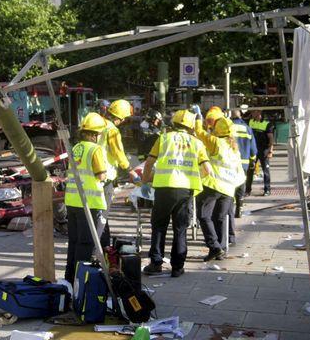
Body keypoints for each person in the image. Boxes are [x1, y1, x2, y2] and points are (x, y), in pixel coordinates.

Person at [140, 109, 211, 277]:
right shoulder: (197, 143)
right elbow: (207, 169)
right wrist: (194, 176)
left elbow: (150, 161)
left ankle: (156, 263)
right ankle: (178, 267)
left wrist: (145, 181)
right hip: (185, 190)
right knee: (180, 228)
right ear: (190, 126)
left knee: (159, 226)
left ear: (174, 123)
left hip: (164, 188)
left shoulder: (163, 138)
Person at [193, 111, 245, 261]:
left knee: (203, 216)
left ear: (218, 130)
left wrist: (198, 119)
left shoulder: (216, 142)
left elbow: (199, 132)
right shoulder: (234, 148)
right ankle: (220, 249)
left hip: (213, 185)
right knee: (220, 218)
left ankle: (214, 247)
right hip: (229, 188)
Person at [64, 112, 108, 284]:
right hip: (89, 203)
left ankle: (69, 278)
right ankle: (80, 281)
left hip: (73, 201)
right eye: (97, 134)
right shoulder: (95, 149)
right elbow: (101, 175)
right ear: (93, 134)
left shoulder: (76, 148)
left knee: (74, 242)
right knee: (86, 243)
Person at [98, 99, 140, 248]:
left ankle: (104, 244)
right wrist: (130, 169)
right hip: (104, 177)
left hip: (90, 177)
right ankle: (101, 247)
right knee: (102, 215)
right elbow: (118, 153)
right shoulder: (112, 130)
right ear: (121, 118)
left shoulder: (97, 123)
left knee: (98, 214)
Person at [231, 109, 257, 217]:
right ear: (241, 116)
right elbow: (253, 149)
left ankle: (230, 207)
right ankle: (239, 208)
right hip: (244, 163)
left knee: (231, 184)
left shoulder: (228, 127)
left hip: (230, 162)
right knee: (241, 183)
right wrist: (253, 159)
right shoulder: (247, 128)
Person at [246, 110, 275, 196]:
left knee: (265, 170)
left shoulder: (267, 124)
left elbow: (271, 139)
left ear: (259, 113)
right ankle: (247, 190)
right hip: (253, 150)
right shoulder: (250, 122)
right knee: (250, 170)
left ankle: (267, 190)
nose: (252, 114)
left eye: (254, 112)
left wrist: (271, 150)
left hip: (264, 150)